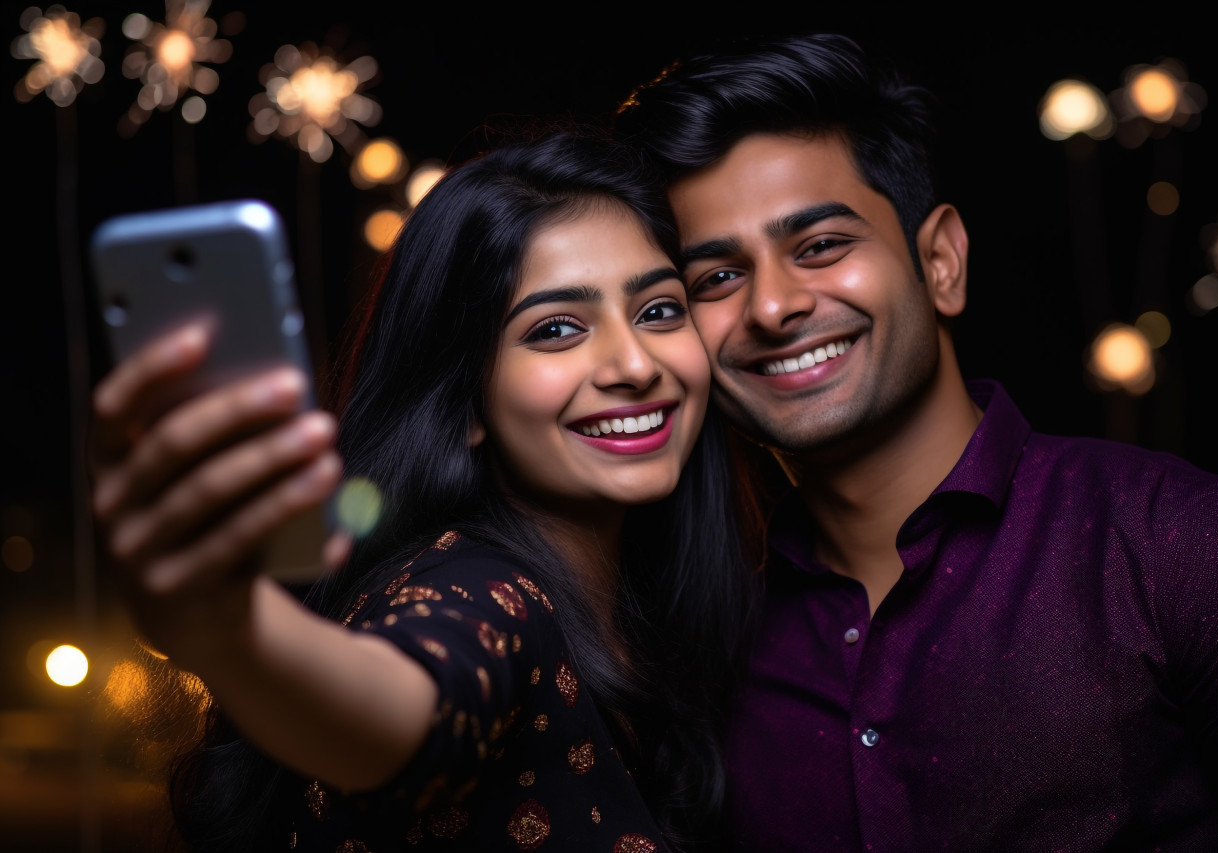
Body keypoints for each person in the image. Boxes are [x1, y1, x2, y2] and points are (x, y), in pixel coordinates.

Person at [613, 32, 1218, 852]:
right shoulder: (701, 643)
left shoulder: (1187, 543)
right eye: (716, 277)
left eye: (820, 246)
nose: (773, 307)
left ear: (940, 261)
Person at [88, 126, 753, 852]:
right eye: (557, 329)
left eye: (659, 310)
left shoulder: (665, 612)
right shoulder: (477, 589)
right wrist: (234, 629)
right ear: (465, 401)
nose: (635, 363)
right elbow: (401, 713)